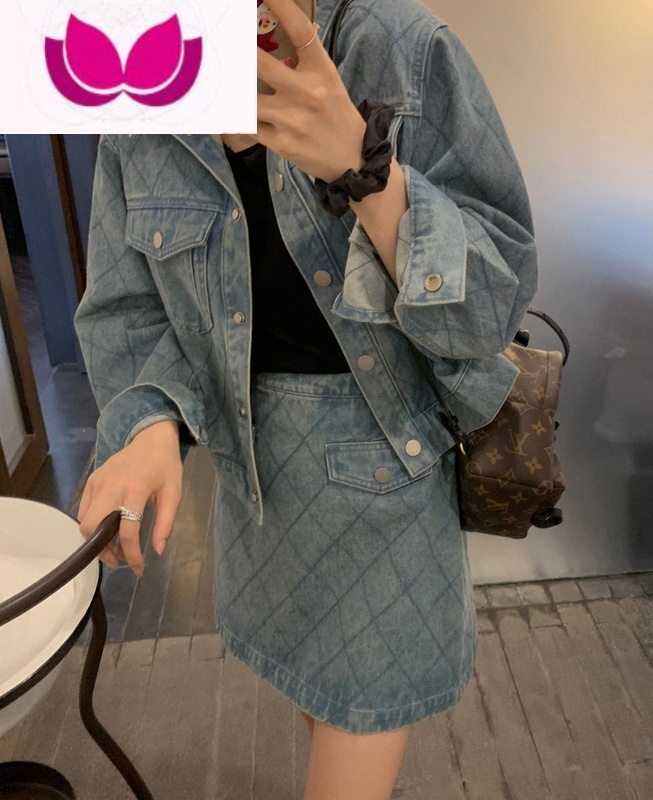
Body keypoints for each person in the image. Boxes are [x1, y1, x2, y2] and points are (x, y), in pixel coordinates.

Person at [73, 0, 537, 797]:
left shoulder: (402, 51)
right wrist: (149, 420)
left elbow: (492, 308)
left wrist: (368, 175)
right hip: (257, 499)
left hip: (387, 501)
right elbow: (130, 307)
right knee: (320, 707)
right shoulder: (138, 88)